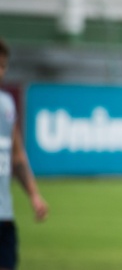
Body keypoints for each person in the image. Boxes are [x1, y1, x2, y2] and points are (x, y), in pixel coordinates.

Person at [0, 38, 49, 270]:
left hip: (4, 215)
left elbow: (17, 157)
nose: (0, 71)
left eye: (3, 66)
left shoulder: (6, 106)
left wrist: (34, 195)